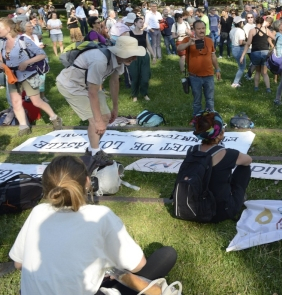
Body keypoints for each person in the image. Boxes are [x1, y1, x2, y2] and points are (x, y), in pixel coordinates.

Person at [9, 155, 177, 295]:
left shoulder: (37, 212)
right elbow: (138, 265)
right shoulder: (101, 216)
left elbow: (18, 263)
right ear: (88, 182)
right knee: (167, 255)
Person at [56, 36, 146, 165]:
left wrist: (115, 108)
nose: (135, 58)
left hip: (88, 85)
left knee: (106, 117)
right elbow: (93, 92)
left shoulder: (120, 61)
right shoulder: (100, 61)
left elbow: (115, 82)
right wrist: (97, 121)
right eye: (132, 54)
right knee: (96, 120)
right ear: (120, 53)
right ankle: (95, 154)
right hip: (71, 86)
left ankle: (92, 149)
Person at [0, 18, 62, 136]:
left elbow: (41, 55)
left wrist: (26, 62)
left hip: (28, 75)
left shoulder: (22, 40)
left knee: (36, 101)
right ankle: (24, 126)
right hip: (12, 76)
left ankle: (54, 118)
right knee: (16, 102)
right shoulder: (2, 42)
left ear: (8, 29)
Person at [192, 111, 252, 221]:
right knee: (245, 168)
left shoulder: (192, 150)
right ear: (220, 133)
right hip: (219, 212)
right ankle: (237, 196)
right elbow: (248, 160)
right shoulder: (227, 154)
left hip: (193, 207)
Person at [177, 21, 221, 120]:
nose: (201, 31)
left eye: (203, 28)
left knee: (210, 99)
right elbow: (179, 48)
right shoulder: (188, 39)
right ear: (194, 30)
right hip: (194, 76)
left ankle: (210, 119)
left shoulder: (209, 41)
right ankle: (196, 119)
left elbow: (213, 56)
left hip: (209, 75)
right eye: (199, 29)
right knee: (197, 100)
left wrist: (217, 69)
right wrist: (189, 43)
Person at [240, 16, 272, 92]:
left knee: (257, 71)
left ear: (255, 22)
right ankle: (268, 89)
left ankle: (256, 88)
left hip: (255, 52)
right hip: (265, 52)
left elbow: (248, 44)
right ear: (262, 22)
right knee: (264, 72)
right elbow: (275, 38)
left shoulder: (252, 30)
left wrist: (242, 55)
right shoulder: (267, 30)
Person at [129, 17, 156, 102]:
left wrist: (154, 56)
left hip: (144, 56)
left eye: (143, 22)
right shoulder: (129, 33)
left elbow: (148, 45)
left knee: (145, 77)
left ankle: (144, 93)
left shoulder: (145, 33)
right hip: (134, 57)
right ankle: (134, 95)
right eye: (140, 22)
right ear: (135, 23)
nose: (142, 24)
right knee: (135, 77)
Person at [230, 16, 247, 88]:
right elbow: (241, 42)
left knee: (240, 66)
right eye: (242, 22)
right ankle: (235, 82)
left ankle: (238, 79)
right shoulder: (241, 31)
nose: (243, 23)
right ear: (240, 23)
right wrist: (248, 43)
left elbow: (231, 40)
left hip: (233, 48)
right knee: (242, 67)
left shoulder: (232, 30)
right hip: (239, 49)